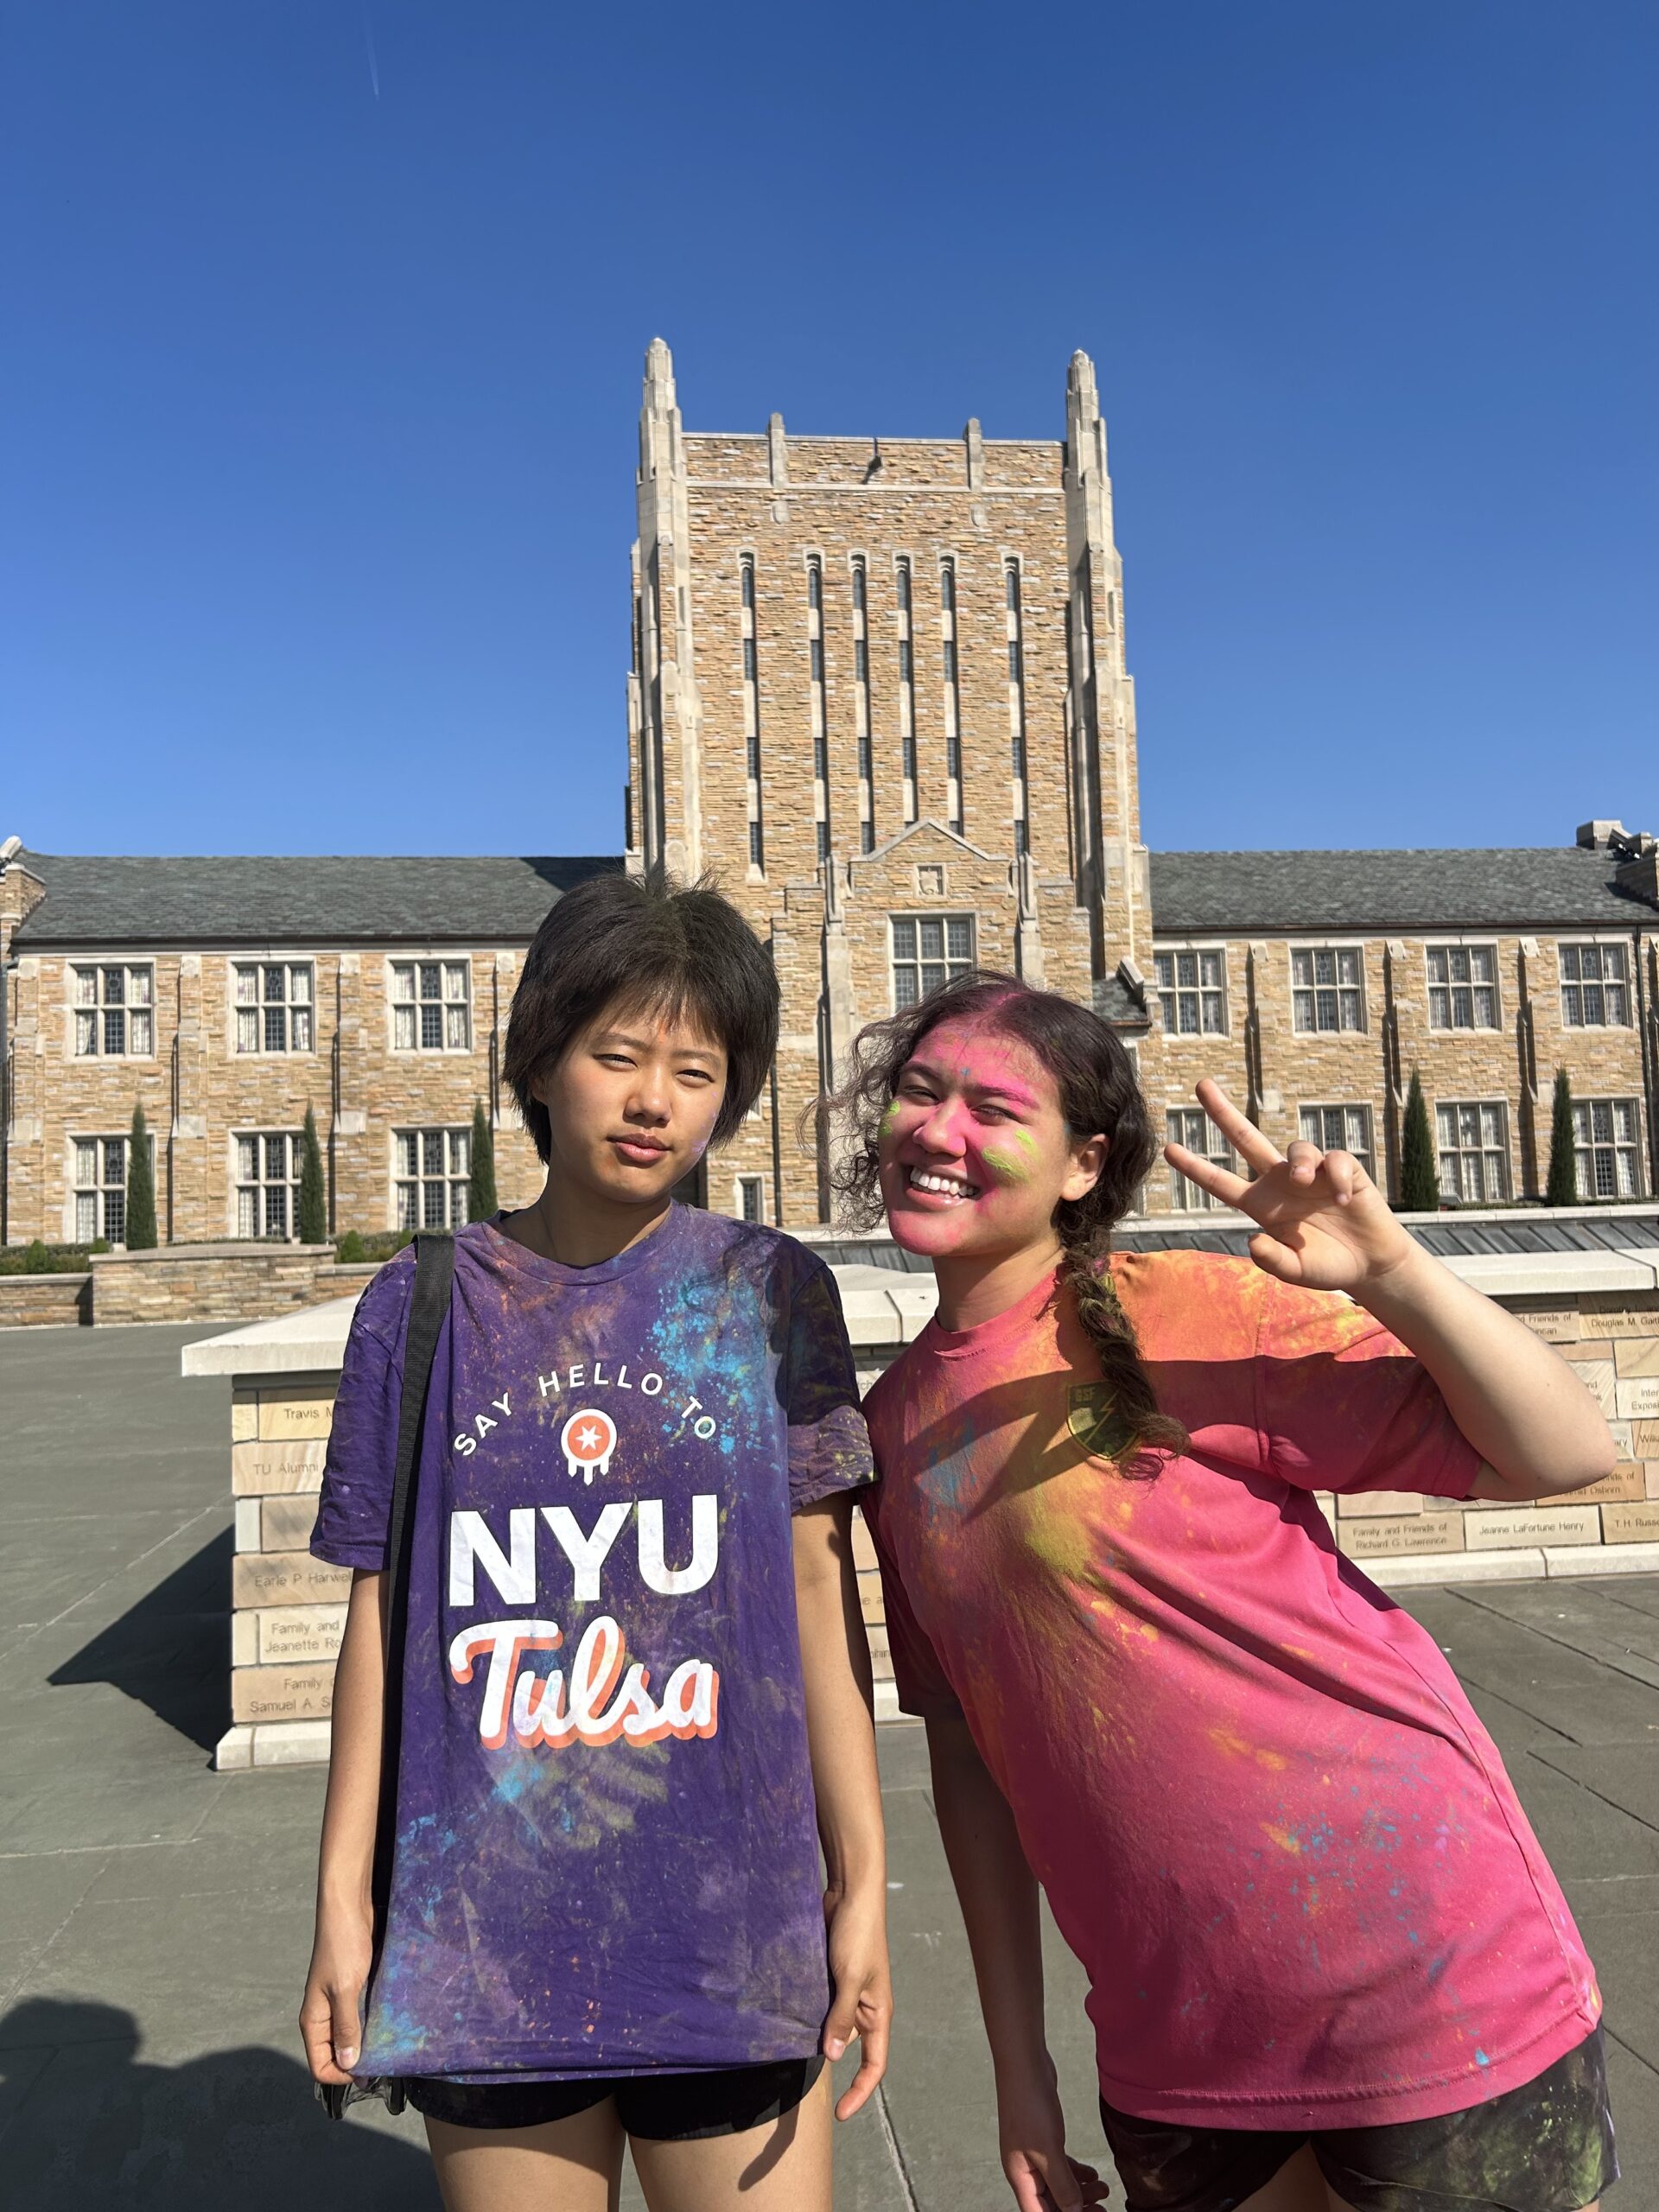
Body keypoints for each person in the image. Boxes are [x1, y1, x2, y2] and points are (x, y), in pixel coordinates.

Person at [839, 971, 1618, 2212]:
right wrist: (1020, 2072)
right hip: (1178, 2042)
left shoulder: (1181, 1314)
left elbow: (1566, 1450)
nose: (940, 1131)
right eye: (921, 1093)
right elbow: (974, 1766)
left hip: (1431, 1985)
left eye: (995, 1108)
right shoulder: (888, 1429)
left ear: (1084, 1166)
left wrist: (1395, 1274)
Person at [300, 871, 891, 2212]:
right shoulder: (424, 1303)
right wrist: (344, 1903)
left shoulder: (768, 1291)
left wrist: (862, 1882)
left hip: (732, 1931)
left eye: (695, 1070)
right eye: (617, 1055)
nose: (652, 1102)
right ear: (543, 1062)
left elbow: (818, 1595)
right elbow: (380, 1619)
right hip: (486, 1939)